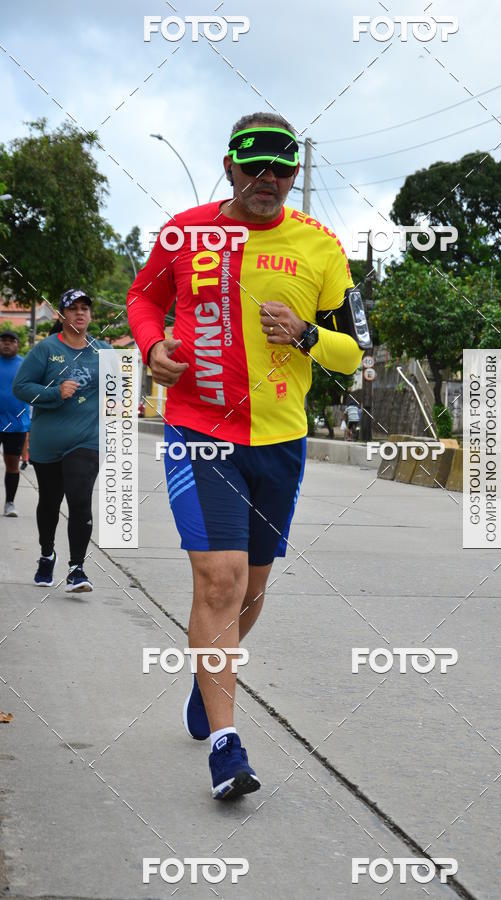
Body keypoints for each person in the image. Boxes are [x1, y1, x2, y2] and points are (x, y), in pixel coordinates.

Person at [127, 111, 365, 801]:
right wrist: (153, 350)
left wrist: (307, 335)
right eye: (255, 166)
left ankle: (209, 680)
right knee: (221, 581)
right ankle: (227, 747)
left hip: (280, 439)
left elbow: (356, 350)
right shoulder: (186, 231)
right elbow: (145, 299)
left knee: (252, 590)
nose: (268, 180)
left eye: (282, 169)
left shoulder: (320, 246)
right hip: (201, 428)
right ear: (229, 164)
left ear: (295, 173)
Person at [13, 290, 110, 592]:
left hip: (87, 441)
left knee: (80, 500)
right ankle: (47, 554)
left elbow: (117, 393)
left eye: (85, 309)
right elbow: (21, 387)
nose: (80, 314)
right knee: (49, 503)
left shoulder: (104, 350)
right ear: (62, 315)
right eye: (73, 309)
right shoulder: (45, 350)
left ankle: (77, 569)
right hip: (48, 443)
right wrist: (55, 393)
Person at [0, 329, 31, 516]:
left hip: (16, 424)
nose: (7, 343)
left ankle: (9, 503)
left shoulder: (25, 366)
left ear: (17, 344)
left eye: (11, 341)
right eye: (3, 340)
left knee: (12, 465)